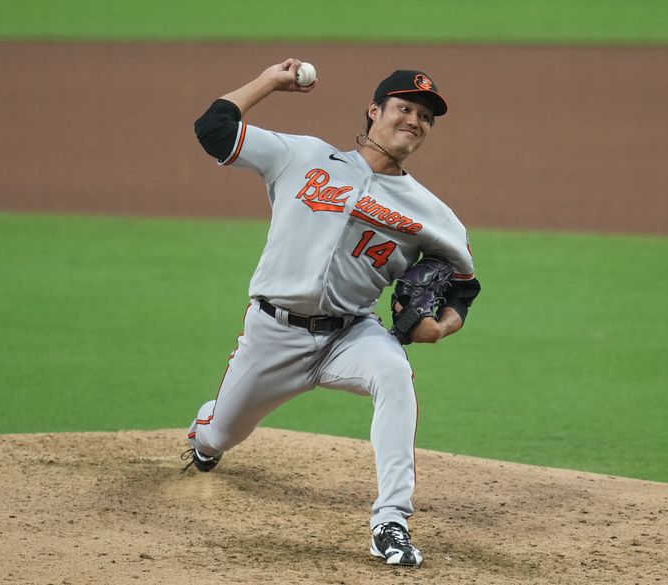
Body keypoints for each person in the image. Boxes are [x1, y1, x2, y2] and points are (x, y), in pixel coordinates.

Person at [183, 58, 480, 567]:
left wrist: (441, 325)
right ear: (374, 111)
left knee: (393, 372)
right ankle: (206, 435)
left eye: (425, 117)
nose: (414, 120)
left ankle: (391, 520)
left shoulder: (433, 214)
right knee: (219, 437)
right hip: (272, 335)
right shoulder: (302, 155)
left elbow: (464, 287)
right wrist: (270, 82)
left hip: (351, 335)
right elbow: (214, 129)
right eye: (404, 108)